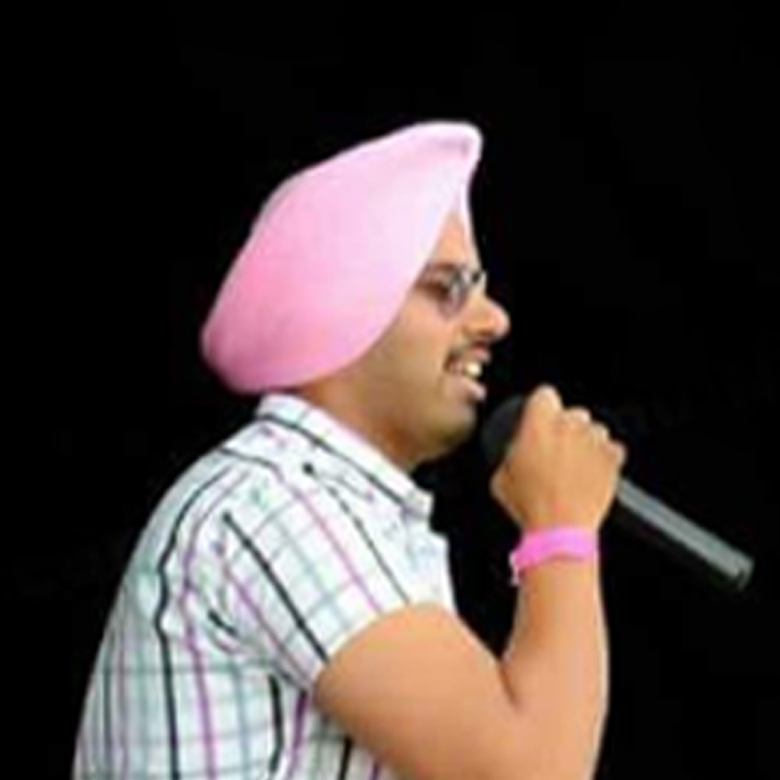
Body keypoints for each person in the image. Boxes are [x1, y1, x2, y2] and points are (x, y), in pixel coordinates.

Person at [72, 121, 626, 780]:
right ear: (342, 308)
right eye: (448, 288)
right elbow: (530, 771)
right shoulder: (277, 503)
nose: (493, 319)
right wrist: (559, 527)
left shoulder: (313, 501)